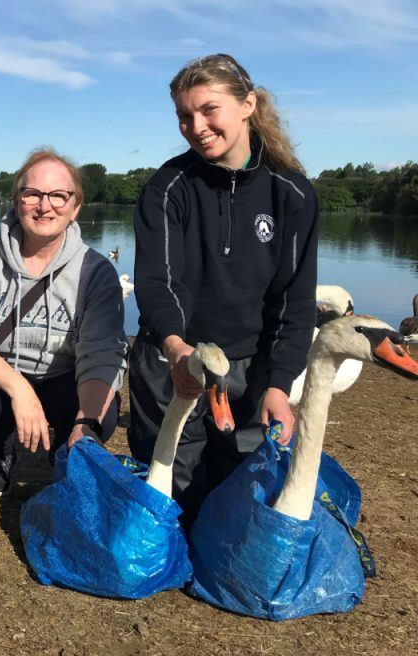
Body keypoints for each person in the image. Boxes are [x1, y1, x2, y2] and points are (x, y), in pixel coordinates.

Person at [129, 53, 318, 522]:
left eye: (208, 109)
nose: (196, 126)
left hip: (248, 369)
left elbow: (294, 302)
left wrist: (279, 384)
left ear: (247, 105)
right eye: (184, 116)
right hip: (171, 360)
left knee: (237, 495)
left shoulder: (291, 193)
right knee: (176, 494)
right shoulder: (167, 188)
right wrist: (177, 350)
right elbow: (157, 282)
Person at [0, 148, 128, 496]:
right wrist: (19, 388)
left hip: (65, 380)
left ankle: (66, 453)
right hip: (2, 377)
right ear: (16, 200)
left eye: (58, 195)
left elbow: (102, 355)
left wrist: (85, 421)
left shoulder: (97, 272)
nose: (45, 206)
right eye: (33, 194)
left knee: (105, 408)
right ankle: (1, 453)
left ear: (75, 207)